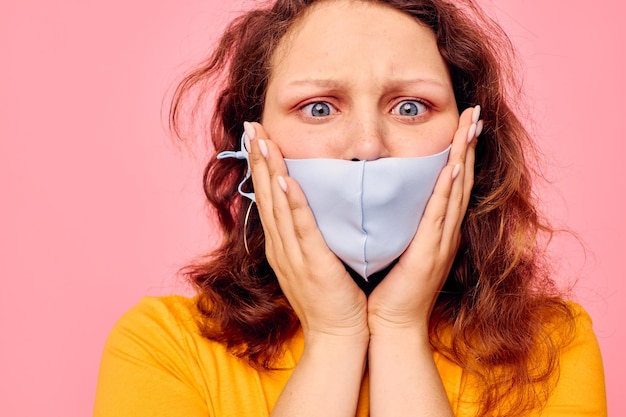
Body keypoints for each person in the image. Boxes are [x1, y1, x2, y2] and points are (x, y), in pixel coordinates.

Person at [93, 0, 607, 416]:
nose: (366, 145)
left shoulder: (551, 350)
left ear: (470, 138)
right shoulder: (162, 347)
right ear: (254, 144)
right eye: (319, 107)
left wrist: (401, 330)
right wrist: (334, 337)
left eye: (410, 107)